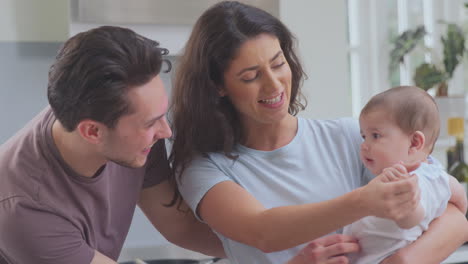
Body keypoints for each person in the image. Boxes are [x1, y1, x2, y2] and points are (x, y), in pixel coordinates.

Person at [169, 1, 468, 264]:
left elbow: (453, 214)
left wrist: (403, 261)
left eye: (278, 64)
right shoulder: (204, 168)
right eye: (250, 77)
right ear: (217, 86)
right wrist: (365, 201)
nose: (274, 85)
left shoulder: (354, 137)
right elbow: (262, 231)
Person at [0, 26, 226, 264]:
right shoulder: (27, 211)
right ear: (93, 132)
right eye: (150, 123)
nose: (165, 131)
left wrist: (262, 246)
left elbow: (181, 226)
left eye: (161, 115)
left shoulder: (104, 115)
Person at [343, 86, 467, 263]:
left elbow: (412, 219)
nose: (364, 145)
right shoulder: (432, 174)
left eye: (375, 136)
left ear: (414, 143)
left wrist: (404, 206)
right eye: (364, 136)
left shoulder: (416, 180)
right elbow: (454, 190)